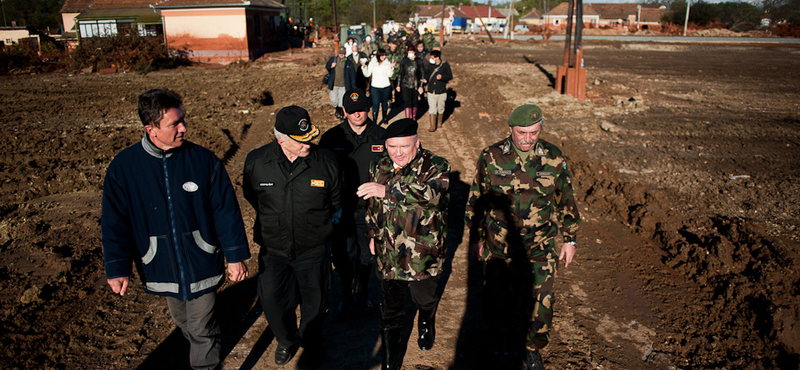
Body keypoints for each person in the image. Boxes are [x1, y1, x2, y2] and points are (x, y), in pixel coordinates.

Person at [102, 89, 250, 370]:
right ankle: (204, 343)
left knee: (201, 327)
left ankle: (205, 365)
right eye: (174, 124)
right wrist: (117, 268)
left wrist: (234, 255)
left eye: (183, 120)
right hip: (160, 265)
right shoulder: (124, 168)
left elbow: (225, 211)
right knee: (186, 323)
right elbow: (114, 222)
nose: (183, 128)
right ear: (151, 129)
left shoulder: (203, 161)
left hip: (202, 259)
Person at [465, 104, 581, 370]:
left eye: (534, 132)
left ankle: (532, 348)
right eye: (522, 133)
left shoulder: (554, 157)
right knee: (497, 298)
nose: (528, 138)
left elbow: (566, 199)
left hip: (539, 243)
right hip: (499, 243)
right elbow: (476, 199)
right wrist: (476, 237)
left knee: (542, 300)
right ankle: (498, 340)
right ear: (510, 130)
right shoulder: (491, 156)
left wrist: (570, 238)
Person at [242, 106, 341, 366]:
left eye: (310, 136)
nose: (308, 143)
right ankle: (287, 340)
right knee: (273, 302)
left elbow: (336, 200)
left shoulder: (326, 161)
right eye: (300, 141)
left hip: (313, 249)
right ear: (281, 139)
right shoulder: (256, 161)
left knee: (315, 304)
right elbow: (253, 197)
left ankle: (310, 342)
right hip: (273, 251)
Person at [357, 119, 450, 370]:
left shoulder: (436, 165)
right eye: (392, 146)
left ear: (417, 143)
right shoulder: (379, 165)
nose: (398, 152)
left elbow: (433, 195)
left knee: (425, 299)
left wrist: (387, 190)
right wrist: (372, 233)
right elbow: (372, 205)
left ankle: (426, 320)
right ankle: (390, 363)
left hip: (424, 253)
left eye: (404, 146)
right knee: (391, 309)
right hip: (389, 251)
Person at [319, 88, 386, 317]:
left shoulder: (381, 136)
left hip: (371, 211)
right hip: (342, 210)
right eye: (352, 110)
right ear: (344, 111)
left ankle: (363, 292)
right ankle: (346, 294)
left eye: (361, 109)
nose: (357, 114)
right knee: (344, 255)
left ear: (368, 108)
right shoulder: (331, 138)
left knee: (368, 257)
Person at [361, 48, 396, 125]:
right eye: (382, 55)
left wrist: (391, 67)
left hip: (385, 86)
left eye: (385, 55)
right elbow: (367, 74)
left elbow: (389, 75)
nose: (384, 57)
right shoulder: (372, 64)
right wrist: (364, 67)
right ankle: (374, 120)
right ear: (378, 56)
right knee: (376, 103)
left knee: (384, 103)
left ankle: (385, 118)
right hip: (375, 87)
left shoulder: (387, 63)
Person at [422, 50, 452, 132]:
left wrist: (442, 77)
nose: (431, 59)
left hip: (441, 91)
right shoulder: (430, 66)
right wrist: (425, 80)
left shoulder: (445, 65)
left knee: (440, 108)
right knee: (432, 108)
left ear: (437, 58)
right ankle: (432, 126)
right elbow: (428, 75)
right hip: (431, 91)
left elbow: (450, 76)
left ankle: (439, 122)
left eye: (432, 58)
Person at [327, 46, 357, 120]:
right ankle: (337, 110)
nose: (341, 55)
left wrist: (353, 86)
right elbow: (327, 66)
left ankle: (341, 114)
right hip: (334, 84)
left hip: (344, 85)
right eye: (340, 53)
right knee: (334, 100)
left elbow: (352, 75)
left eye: (343, 53)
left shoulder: (348, 62)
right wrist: (331, 66)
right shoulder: (333, 59)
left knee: (341, 102)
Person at [395, 46, 423, 120]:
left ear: (414, 52)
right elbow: (400, 73)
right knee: (407, 101)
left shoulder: (419, 61)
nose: (410, 53)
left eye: (412, 52)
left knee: (415, 102)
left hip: (415, 84)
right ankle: (407, 118)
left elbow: (422, 74)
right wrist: (398, 85)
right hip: (406, 84)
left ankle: (414, 117)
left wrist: (421, 85)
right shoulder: (404, 61)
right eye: (409, 52)